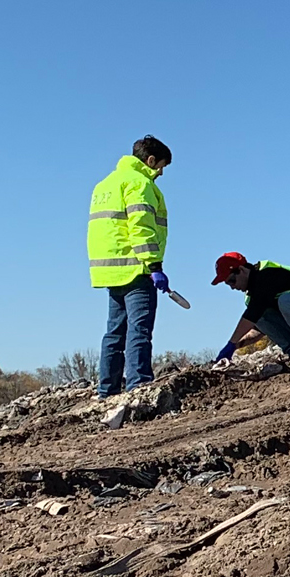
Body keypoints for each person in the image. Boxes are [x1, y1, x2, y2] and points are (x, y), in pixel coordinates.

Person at [86, 136, 173, 397]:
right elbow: (141, 226)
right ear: (150, 160)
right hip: (137, 268)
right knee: (140, 330)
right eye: (161, 166)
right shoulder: (139, 183)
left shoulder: (105, 185)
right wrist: (154, 265)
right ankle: (139, 386)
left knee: (114, 333)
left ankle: (107, 390)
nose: (160, 173)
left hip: (110, 271)